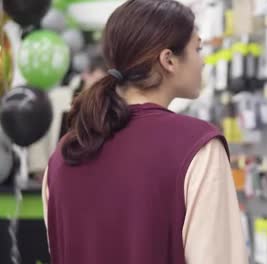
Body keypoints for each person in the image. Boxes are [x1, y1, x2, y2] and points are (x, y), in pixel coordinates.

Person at [41, 0, 248, 263]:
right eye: (198, 48)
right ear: (168, 60)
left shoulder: (65, 154)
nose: (203, 61)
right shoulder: (197, 146)